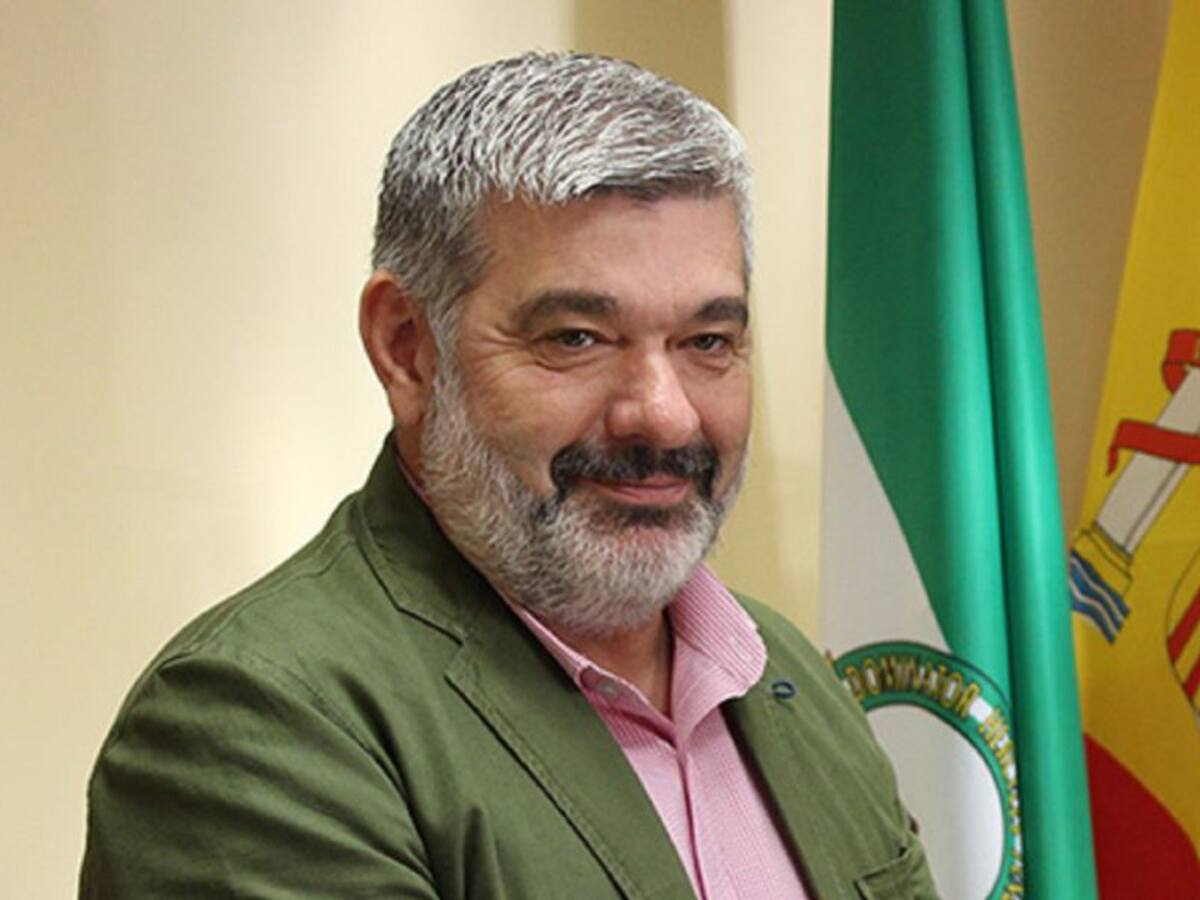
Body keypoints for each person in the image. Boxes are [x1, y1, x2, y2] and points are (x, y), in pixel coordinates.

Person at [80, 52, 936, 899]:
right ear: (407, 348)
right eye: (576, 338)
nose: (665, 415)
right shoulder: (254, 721)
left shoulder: (789, 673)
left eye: (707, 342)